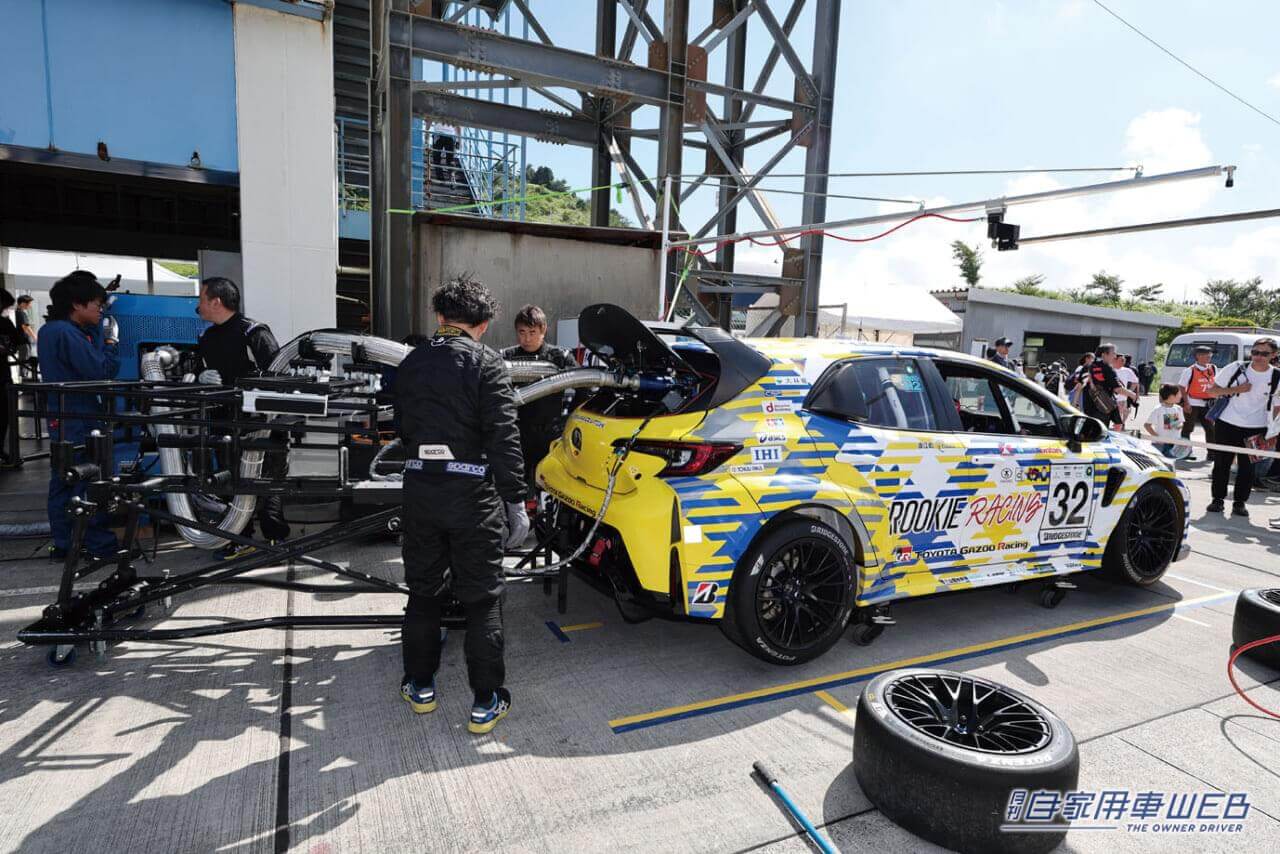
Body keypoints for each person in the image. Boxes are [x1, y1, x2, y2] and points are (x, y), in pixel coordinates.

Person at [395, 276, 527, 734]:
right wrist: (516, 502)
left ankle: (421, 687)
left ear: (440, 317)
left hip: (420, 492)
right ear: (485, 325)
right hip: (473, 499)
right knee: (482, 600)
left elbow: (403, 429)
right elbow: (504, 438)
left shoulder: (410, 363)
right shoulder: (488, 365)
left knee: (423, 593)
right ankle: (486, 701)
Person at [195, 277, 290, 559]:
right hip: (224, 422)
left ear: (216, 301)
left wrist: (249, 387)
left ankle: (275, 539)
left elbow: (279, 374)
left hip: (261, 423)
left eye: (201, 299)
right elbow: (195, 368)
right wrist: (200, 377)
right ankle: (240, 537)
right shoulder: (207, 338)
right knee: (231, 481)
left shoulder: (253, 332)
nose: (197, 306)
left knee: (268, 480)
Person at [37, 271, 121, 558]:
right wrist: (111, 342)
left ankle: (66, 544)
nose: (100, 310)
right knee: (88, 479)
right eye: (96, 305)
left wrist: (99, 324)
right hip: (79, 415)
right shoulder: (66, 333)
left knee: (64, 480)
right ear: (77, 305)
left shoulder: (53, 330)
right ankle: (99, 544)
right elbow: (100, 371)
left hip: (64, 414)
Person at [501, 305, 578, 501]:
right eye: (522, 332)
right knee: (515, 487)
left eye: (532, 332)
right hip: (516, 433)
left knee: (551, 487)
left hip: (550, 434)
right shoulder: (506, 357)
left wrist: (567, 419)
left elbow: (585, 387)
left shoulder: (560, 357)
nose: (526, 338)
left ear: (543, 330)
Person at [1204, 337, 1280, 518]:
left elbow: (1277, 406)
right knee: (1222, 463)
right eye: (1255, 352)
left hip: (1256, 427)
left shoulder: (1276, 376)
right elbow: (1211, 391)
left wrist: (1273, 432)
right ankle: (1218, 500)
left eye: (1264, 353)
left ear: (1274, 355)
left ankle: (1239, 503)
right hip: (1227, 423)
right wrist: (1237, 389)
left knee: (1248, 468)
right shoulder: (1236, 368)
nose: (1258, 357)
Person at [1178, 344, 1217, 462]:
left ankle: (1212, 453)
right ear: (1198, 356)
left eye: (1210, 354)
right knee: (1188, 428)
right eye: (1206, 354)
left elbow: (1217, 383)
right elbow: (1181, 386)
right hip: (1193, 403)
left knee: (1211, 429)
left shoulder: (1213, 368)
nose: (1209, 356)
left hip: (1208, 404)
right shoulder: (1189, 370)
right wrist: (1186, 403)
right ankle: (1185, 452)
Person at [1081, 343, 1134, 429]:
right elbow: (1118, 389)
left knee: (1092, 428)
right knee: (1107, 428)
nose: (1115, 356)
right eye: (1113, 353)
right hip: (1104, 404)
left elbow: (1079, 385)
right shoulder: (1107, 368)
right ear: (1104, 355)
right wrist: (1132, 395)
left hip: (1089, 404)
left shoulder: (1087, 367)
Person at [0, 289, 24, 465]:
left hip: (2, 374)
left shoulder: (5, 322)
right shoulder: (4, 322)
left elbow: (16, 342)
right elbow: (17, 341)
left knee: (3, 413)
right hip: (2, 375)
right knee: (3, 413)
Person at [1144, 385, 1186, 459]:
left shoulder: (1178, 408)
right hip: (1159, 444)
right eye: (1178, 394)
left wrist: (1179, 425)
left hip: (1174, 444)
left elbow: (1181, 422)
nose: (1181, 396)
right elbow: (1147, 425)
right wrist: (1157, 437)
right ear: (1171, 396)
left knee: (1170, 464)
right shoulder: (1158, 409)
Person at [1113, 353, 1140, 424]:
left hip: (1121, 398)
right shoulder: (1108, 369)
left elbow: (1135, 381)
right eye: (1121, 360)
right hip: (1107, 398)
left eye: (1124, 360)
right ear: (1114, 360)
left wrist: (1129, 392)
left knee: (1118, 418)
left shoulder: (1127, 370)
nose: (1123, 362)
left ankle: (1121, 425)